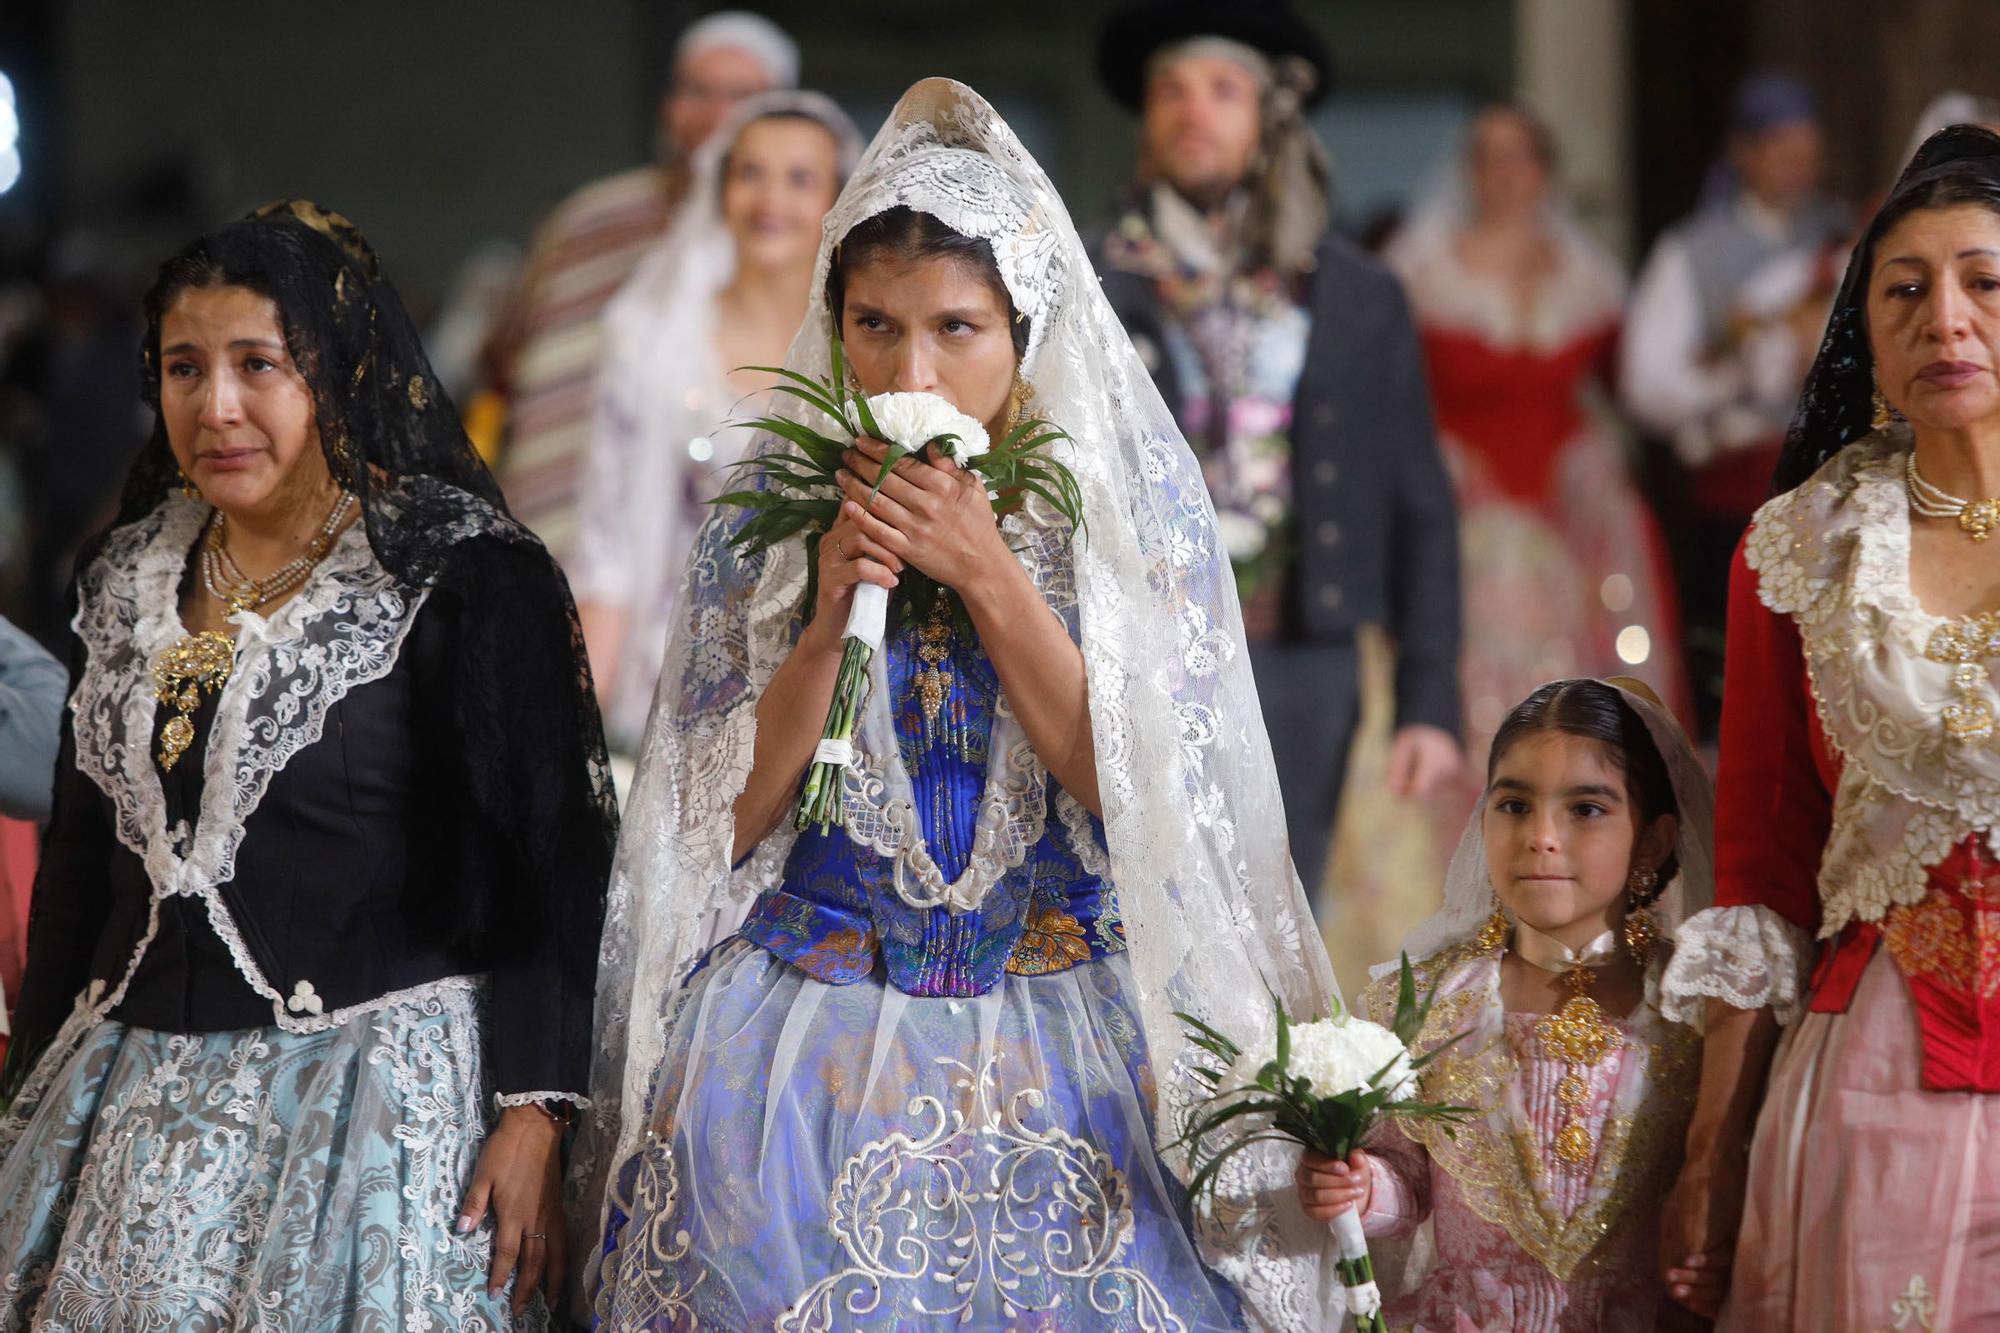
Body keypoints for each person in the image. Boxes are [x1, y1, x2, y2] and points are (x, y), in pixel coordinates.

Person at [578, 78, 1341, 1329]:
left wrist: (990, 572)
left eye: (955, 329)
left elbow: (1156, 815)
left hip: (1064, 1011)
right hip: (803, 1026)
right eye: (873, 327)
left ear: (1024, 331)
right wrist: (826, 613)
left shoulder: (1111, 517)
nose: (908, 370)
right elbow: (707, 822)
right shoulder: (773, 512)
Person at [0, 201, 616, 1329]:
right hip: (132, 1095)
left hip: (373, 1099)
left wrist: (535, 1115)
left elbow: (549, 855)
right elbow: (84, 861)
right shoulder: (126, 570)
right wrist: (27, 1084)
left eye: (258, 365)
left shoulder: (459, 572)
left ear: (338, 373)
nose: (216, 406)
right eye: (184, 367)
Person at [1657, 126, 2000, 1330]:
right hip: (1876, 1084)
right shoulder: (1800, 550)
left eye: (1983, 282)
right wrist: (1708, 1153)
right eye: (1902, 289)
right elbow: (1757, 873)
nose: (1943, 318)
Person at [1093, 0, 1464, 901]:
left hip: (1303, 653)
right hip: (1131, 646)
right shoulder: (1093, 278)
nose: (1192, 111)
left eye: (1223, 90)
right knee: (1129, 900)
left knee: (1281, 899)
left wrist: (1428, 701)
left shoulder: (1357, 294)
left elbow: (1418, 495)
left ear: (1271, 117)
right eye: (1169, 90)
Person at [1325, 106, 1688, 989]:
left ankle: (1593, 910)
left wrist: (1583, 462)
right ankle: (1464, 917)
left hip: (1570, 535)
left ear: (1546, 170)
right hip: (1467, 526)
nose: (1505, 174)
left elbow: (1631, 393)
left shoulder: (1585, 276)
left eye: (1522, 157)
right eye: (1489, 157)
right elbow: (1389, 403)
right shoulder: (1424, 269)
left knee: (1596, 702)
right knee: (1475, 707)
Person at [1296, 678, 1711, 1331]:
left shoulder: (1697, 1011)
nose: (1542, 835)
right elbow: (1408, 1177)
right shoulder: (1429, 1003)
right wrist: (1364, 1185)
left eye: (1587, 808)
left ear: (1654, 841)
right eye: (1515, 804)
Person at [574, 91, 860, 754]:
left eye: (800, 179)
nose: (771, 201)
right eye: (750, 172)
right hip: (678, 685)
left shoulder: (868, 344)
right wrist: (578, 734)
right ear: (720, 184)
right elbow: (610, 551)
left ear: (838, 199)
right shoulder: (650, 343)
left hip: (830, 685)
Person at [486, 11, 797, 564]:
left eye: (742, 95)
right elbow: (503, 360)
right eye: (698, 91)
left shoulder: (792, 240)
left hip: (690, 556)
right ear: (669, 106)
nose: (717, 115)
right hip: (540, 528)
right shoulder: (586, 219)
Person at [1620, 73, 1849, 734]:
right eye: (1780, 147)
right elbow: (1648, 384)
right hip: (1736, 497)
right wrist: (1738, 377)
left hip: (1831, 493)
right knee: (1737, 679)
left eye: (1806, 150)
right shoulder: (1694, 250)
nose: (1797, 165)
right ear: (1742, 152)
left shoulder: (1837, 238)